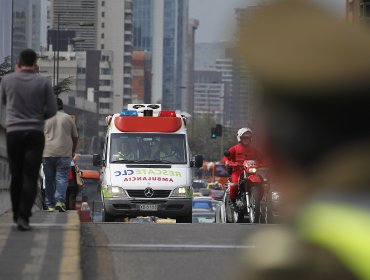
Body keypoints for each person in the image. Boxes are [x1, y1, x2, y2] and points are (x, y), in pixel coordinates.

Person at [231, 0, 370, 279]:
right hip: (239, 174)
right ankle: (235, 206)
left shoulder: (299, 265)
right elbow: (228, 160)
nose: (249, 139)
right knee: (233, 188)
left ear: (272, 144)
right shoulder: (234, 149)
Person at [0, 49, 57, 230]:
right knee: (30, 175)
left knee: (16, 174)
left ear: (18, 63)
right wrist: (38, 117)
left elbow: (3, 101)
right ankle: (24, 215)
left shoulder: (7, 80)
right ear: (35, 64)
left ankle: (16, 212)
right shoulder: (43, 82)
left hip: (14, 133)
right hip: (34, 133)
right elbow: (52, 110)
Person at [42, 98, 78, 212]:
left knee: (49, 179)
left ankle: (50, 204)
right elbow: (75, 136)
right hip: (64, 153)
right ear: (62, 106)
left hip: (47, 153)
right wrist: (73, 151)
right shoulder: (68, 118)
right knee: (61, 178)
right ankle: (60, 201)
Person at [222, 127, 264, 206]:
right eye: (244, 137)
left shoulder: (254, 149)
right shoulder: (234, 148)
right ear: (240, 138)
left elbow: (262, 158)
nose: (246, 139)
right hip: (238, 171)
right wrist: (228, 162)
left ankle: (258, 201)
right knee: (234, 184)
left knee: (262, 183)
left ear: (250, 138)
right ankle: (233, 201)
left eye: (248, 137)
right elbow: (225, 158)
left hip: (251, 171)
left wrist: (266, 163)